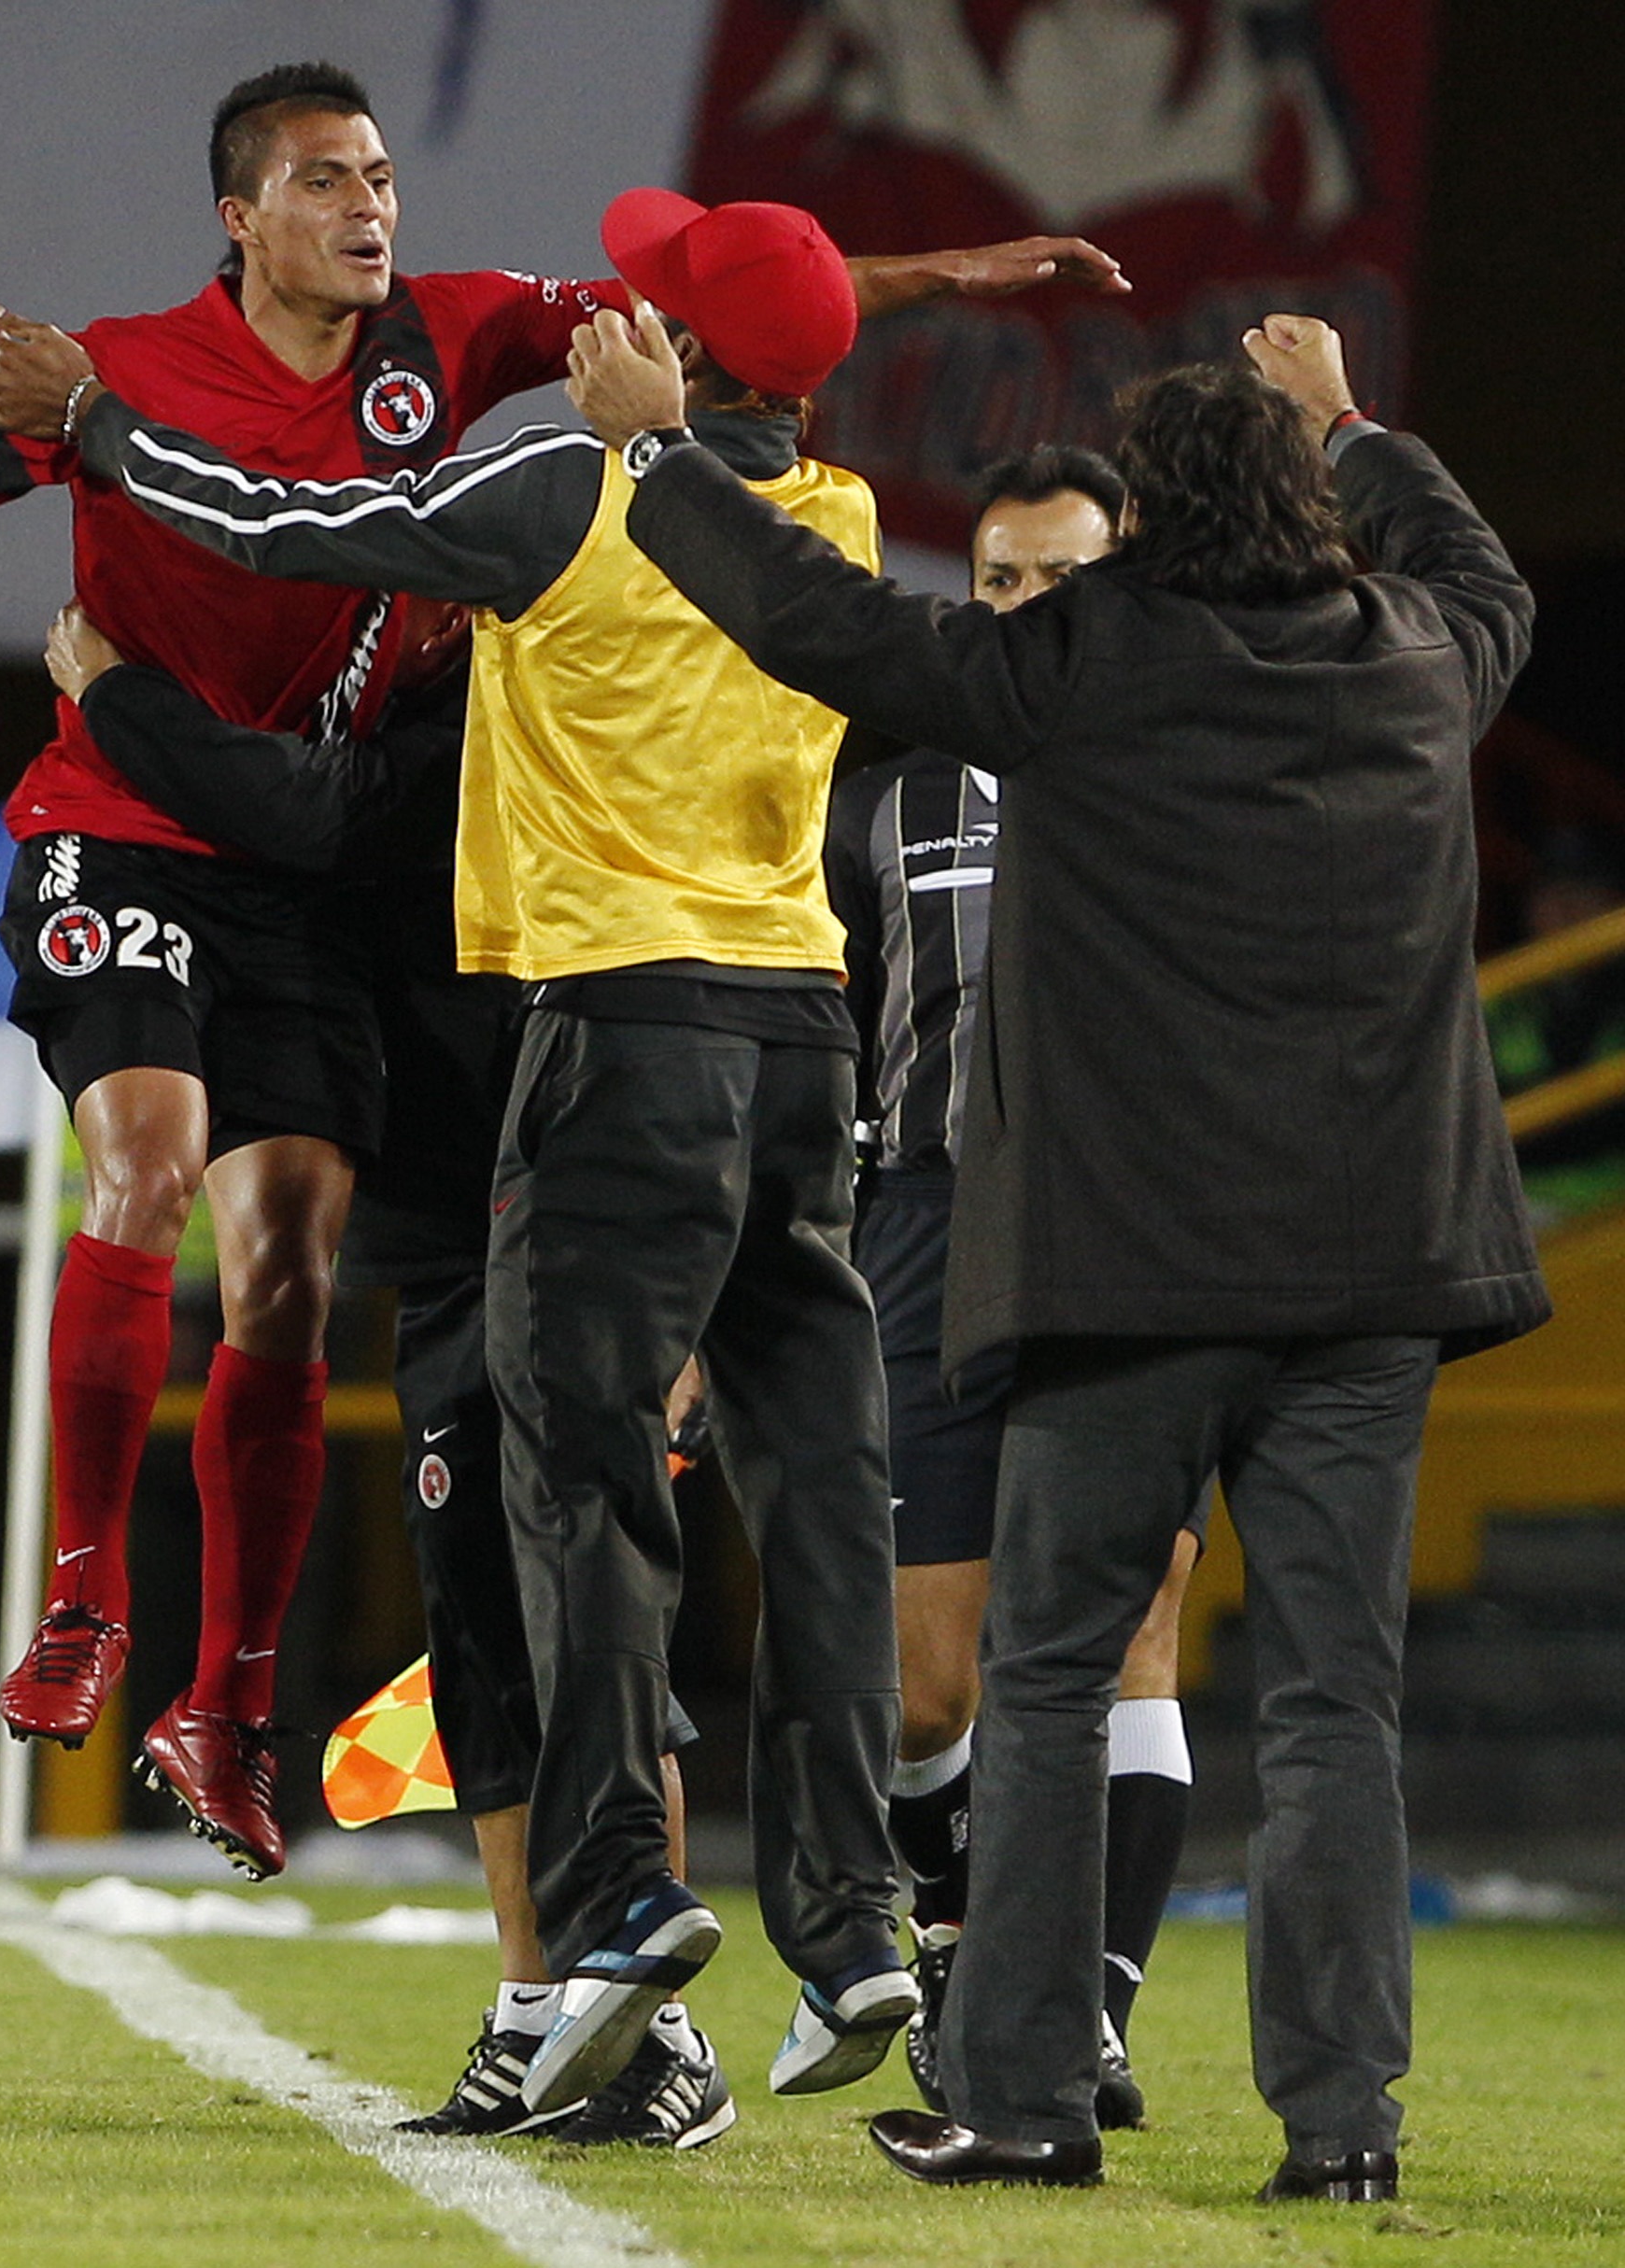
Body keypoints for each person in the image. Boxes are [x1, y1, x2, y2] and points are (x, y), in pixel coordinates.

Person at [0, 54, 1119, 1887]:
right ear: (240, 212)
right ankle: (83, 1603)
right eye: (329, 177)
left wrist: (944, 272)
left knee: (288, 1273)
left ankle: (234, 1705)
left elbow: (709, 327)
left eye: (381, 174)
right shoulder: (113, 366)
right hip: (132, 832)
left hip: (339, 890)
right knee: (150, 1163)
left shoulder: (456, 342)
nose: (373, 204)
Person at [567, 306, 1549, 2198]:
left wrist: (654, 457)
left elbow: (822, 623)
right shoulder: (1416, 657)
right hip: (1372, 1284)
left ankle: (1019, 2101)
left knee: (1042, 1679)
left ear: (1151, 522)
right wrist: (1350, 420)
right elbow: (1476, 563)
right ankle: (1342, 2135)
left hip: (1132, 1282)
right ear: (1305, 504)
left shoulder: (1082, 659)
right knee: (1337, 1705)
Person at [43, 605, 732, 2148]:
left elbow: (310, 812)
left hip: (571, 1230)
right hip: (437, 1250)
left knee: (597, 1628)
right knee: (480, 1640)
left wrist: (115, 687)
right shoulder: (342, 734)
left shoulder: (515, 728)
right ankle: (535, 2013)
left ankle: (667, 2034)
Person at [827, 445, 1202, 2131]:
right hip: (920, 1217)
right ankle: (971, 1940)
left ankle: (1089, 2017)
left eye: (1061, 580)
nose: (1025, 611)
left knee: (1133, 1624)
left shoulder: (1193, 774)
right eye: (997, 583)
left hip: (1126, 1227)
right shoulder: (881, 800)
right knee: (927, 1679)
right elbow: (825, 1028)